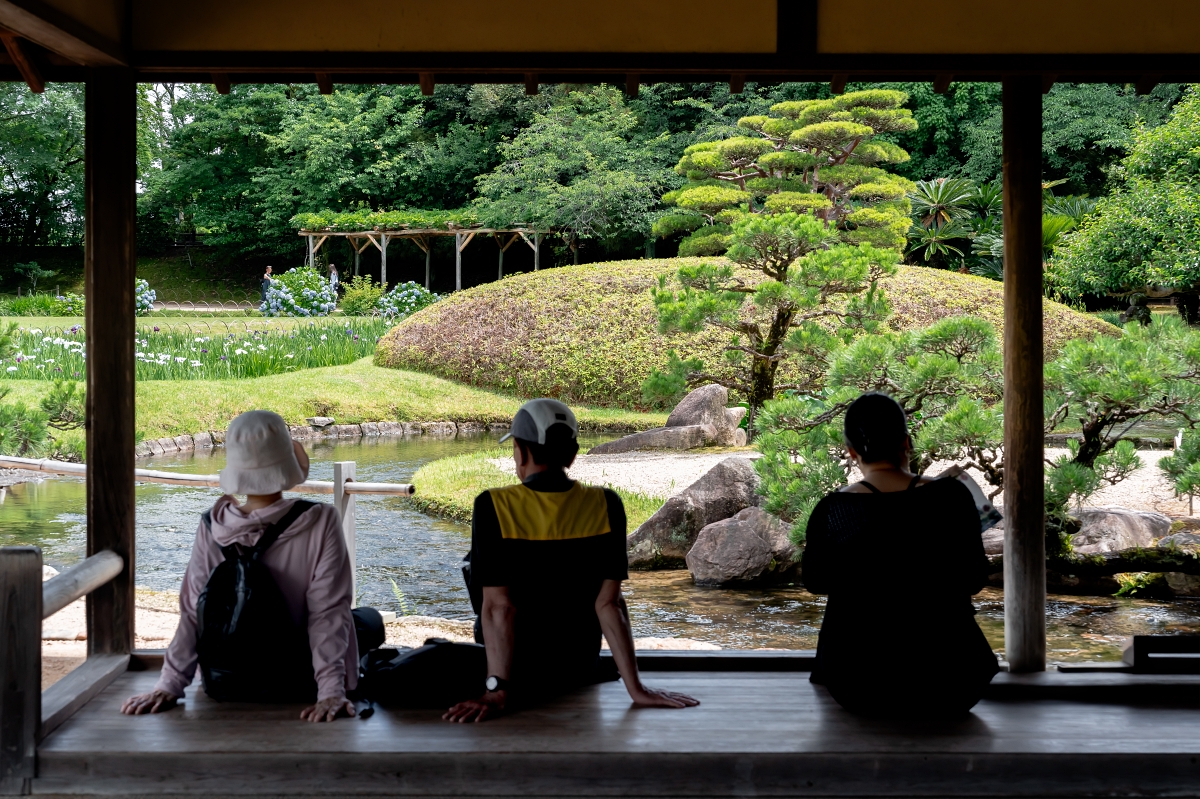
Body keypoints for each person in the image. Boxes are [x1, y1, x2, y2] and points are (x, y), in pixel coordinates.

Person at [443, 398, 699, 722]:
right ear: (572, 454)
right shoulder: (606, 504)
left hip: (516, 676)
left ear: (521, 452)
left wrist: (496, 689)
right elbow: (610, 605)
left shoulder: (494, 506)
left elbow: (499, 608)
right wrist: (636, 689)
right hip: (578, 671)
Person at [121, 410, 382, 723]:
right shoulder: (321, 520)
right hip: (301, 679)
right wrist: (330, 692)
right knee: (368, 620)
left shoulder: (211, 525)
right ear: (287, 462)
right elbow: (327, 613)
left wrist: (169, 684)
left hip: (228, 678)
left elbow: (193, 612)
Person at [801, 392, 999, 718]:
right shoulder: (951, 495)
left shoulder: (834, 509)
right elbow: (975, 578)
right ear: (906, 443)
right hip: (954, 682)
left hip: (859, 685)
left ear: (852, 452)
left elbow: (815, 581)